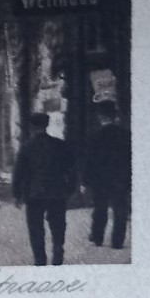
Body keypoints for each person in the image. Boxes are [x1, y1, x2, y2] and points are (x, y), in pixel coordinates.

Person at [12, 111, 77, 265]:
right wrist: (70, 188)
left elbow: (19, 172)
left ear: (32, 126)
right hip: (57, 191)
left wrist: (17, 195)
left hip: (34, 193)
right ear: (46, 125)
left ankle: (40, 258)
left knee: (35, 227)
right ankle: (58, 248)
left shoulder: (26, 147)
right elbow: (71, 168)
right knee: (58, 223)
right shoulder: (60, 145)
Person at [84, 100, 131, 249]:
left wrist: (86, 180)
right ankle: (117, 241)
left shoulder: (94, 136)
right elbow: (130, 158)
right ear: (115, 115)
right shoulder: (125, 135)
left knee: (100, 208)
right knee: (120, 209)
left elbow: (88, 160)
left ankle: (97, 237)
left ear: (100, 116)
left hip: (100, 179)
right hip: (120, 178)